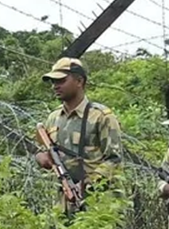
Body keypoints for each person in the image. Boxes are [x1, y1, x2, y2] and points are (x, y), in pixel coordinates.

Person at [34, 57, 123, 211]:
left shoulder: (101, 116)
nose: (55, 86)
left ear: (79, 81)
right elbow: (42, 151)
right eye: (53, 82)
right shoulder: (53, 118)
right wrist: (40, 158)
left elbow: (115, 160)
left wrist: (88, 183)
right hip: (64, 205)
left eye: (61, 81)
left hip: (99, 204)